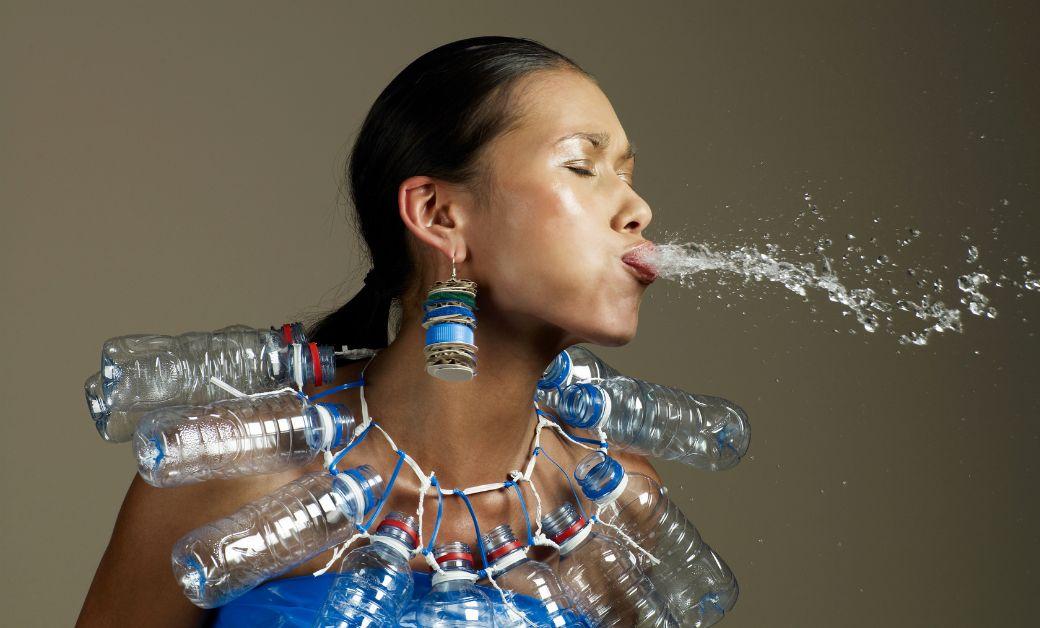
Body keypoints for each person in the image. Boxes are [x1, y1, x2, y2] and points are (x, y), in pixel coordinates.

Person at [77, 35, 662, 626]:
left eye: (627, 173)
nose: (637, 208)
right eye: (583, 167)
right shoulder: (230, 474)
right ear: (437, 214)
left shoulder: (613, 504)